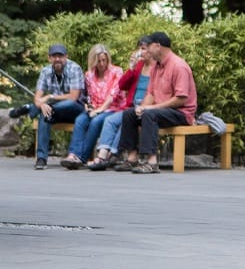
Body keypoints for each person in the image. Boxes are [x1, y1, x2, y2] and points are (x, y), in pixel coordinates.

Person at [113, 32, 196, 174]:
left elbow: (181, 99)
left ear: (158, 46)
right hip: (161, 111)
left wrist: (151, 108)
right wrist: (142, 107)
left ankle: (152, 162)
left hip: (181, 113)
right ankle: (132, 159)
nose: (146, 50)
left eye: (148, 46)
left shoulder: (178, 66)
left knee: (150, 114)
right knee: (129, 114)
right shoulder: (156, 67)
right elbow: (151, 93)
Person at [15, 43, 84, 170]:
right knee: (45, 114)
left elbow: (74, 97)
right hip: (55, 110)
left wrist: (49, 98)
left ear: (66, 57)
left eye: (60, 56)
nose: (57, 59)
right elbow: (37, 97)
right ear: (49, 58)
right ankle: (41, 158)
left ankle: (30, 109)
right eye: (54, 56)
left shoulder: (75, 69)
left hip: (75, 110)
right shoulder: (46, 71)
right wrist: (41, 104)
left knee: (58, 106)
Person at [61, 44, 127, 169]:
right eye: (99, 61)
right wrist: (89, 106)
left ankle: (82, 158)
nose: (102, 64)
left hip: (113, 108)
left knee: (96, 121)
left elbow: (113, 95)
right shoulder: (89, 75)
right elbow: (88, 95)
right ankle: (73, 155)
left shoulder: (116, 71)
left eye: (104, 60)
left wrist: (99, 110)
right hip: (95, 108)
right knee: (80, 120)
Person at [88, 42, 150, 170]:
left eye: (143, 49)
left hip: (146, 108)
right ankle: (102, 155)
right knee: (110, 120)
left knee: (126, 119)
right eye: (139, 48)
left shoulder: (156, 68)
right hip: (131, 107)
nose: (140, 51)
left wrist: (144, 106)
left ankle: (113, 155)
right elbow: (122, 85)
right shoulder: (138, 67)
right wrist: (131, 68)